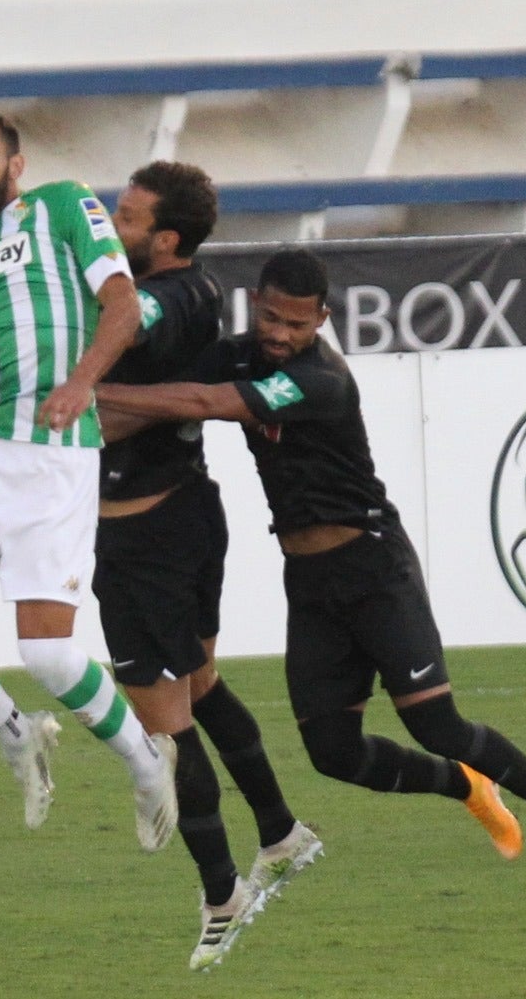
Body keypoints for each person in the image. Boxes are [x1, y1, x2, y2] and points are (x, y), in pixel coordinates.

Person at [97, 247, 526, 897]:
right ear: (257, 306)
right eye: (271, 317)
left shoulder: (319, 376)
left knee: (435, 723)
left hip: (374, 567)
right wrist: (94, 411)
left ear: (322, 320)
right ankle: (466, 785)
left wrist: (90, 390)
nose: (280, 333)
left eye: (296, 324)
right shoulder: (241, 353)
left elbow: (204, 400)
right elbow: (170, 391)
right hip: (309, 582)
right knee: (333, 754)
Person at [0, 107, 178, 853]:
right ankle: (19, 735)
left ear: (16, 165)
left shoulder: (62, 207)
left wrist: (82, 382)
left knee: (47, 653)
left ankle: (148, 764)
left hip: (51, 453)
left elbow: (122, 305)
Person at [99, 165, 322, 970]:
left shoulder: (168, 298)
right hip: (184, 520)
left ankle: (223, 891)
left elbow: (132, 340)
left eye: (121, 214)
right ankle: (282, 830)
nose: (105, 221)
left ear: (164, 237)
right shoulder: (188, 294)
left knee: (167, 723)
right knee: (197, 686)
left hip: (147, 540)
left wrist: (81, 396)